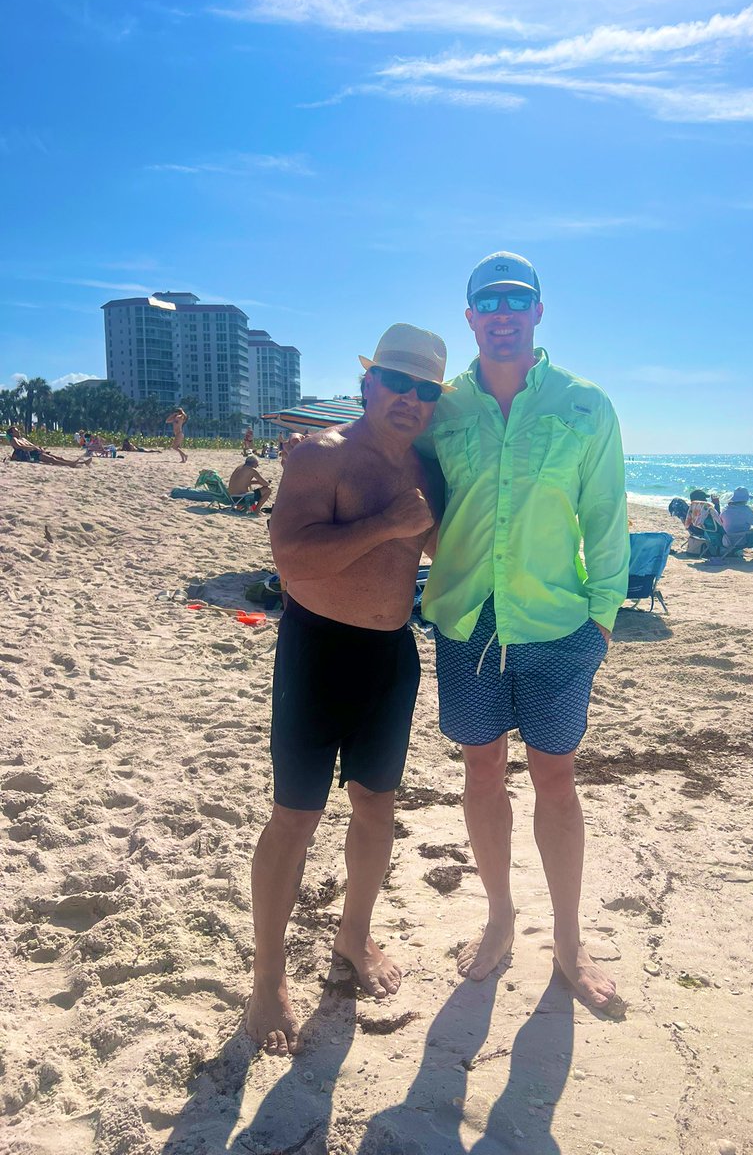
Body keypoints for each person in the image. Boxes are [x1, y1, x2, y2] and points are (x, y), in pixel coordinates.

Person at [420, 252, 629, 1013]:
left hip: (558, 623)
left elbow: (607, 514)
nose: (502, 313)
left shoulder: (585, 405)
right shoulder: (443, 409)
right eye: (488, 302)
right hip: (467, 620)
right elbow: (414, 496)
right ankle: (501, 917)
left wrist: (603, 618)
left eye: (517, 299)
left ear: (539, 312)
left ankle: (568, 941)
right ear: (469, 316)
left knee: (556, 782)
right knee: (481, 772)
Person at [246, 323, 448, 1057]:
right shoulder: (321, 455)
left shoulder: (430, 467)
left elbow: (439, 546)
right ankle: (268, 979)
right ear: (370, 384)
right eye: (398, 381)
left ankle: (353, 937)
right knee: (294, 818)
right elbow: (291, 555)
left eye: (427, 389)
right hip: (316, 652)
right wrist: (385, 522)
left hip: (391, 656)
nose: (411, 398)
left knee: (376, 809)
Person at [5, 425, 89, 468]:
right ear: (12, 433)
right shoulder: (14, 439)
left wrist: (37, 447)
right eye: (16, 431)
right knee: (52, 459)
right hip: (28, 454)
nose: (18, 431)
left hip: (34, 451)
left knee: (57, 457)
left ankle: (76, 463)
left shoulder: (22, 438)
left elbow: (31, 444)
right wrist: (33, 448)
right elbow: (19, 447)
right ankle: (71, 464)